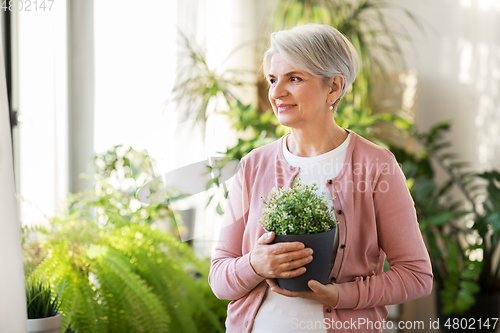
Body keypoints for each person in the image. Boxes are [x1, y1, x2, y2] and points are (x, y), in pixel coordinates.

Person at [209, 24, 433, 333]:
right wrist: (255, 264)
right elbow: (219, 280)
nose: (276, 93)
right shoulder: (253, 166)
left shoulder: (376, 166)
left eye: (295, 78)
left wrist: (341, 295)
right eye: (274, 79)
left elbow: (416, 275)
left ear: (334, 87)